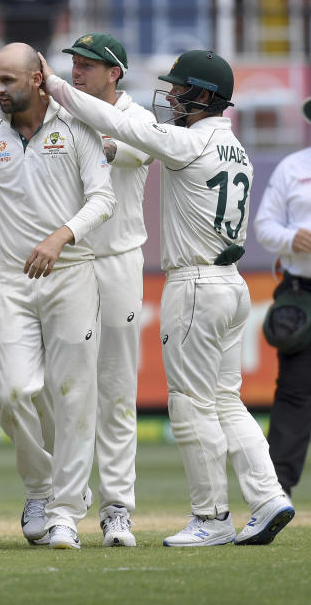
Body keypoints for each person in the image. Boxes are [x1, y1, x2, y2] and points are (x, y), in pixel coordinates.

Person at [40, 48, 295, 546]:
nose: (173, 96)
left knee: (190, 403)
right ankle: (267, 497)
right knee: (225, 399)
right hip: (232, 284)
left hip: (196, 284)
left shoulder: (189, 143)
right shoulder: (235, 148)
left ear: (204, 95)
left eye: (181, 89)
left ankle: (212, 516)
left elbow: (116, 121)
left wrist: (53, 85)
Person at [0, 42, 115, 549]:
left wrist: (60, 236)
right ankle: (44, 488)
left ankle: (65, 511)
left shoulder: (75, 128)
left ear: (37, 80)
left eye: (8, 81)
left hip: (70, 274)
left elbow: (103, 199)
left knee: (73, 396)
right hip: (14, 281)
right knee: (15, 395)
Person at [58, 33, 154, 547]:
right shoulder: (66, 115)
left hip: (117, 262)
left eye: (89, 64)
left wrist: (93, 138)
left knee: (116, 391)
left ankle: (117, 507)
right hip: (69, 264)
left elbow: (125, 148)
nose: (77, 71)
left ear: (114, 72)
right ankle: (65, 505)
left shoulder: (139, 119)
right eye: (73, 62)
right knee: (65, 388)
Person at [253, 96, 311, 498]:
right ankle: (278, 491)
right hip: (301, 291)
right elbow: (263, 226)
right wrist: (292, 238)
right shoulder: (294, 167)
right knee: (293, 391)